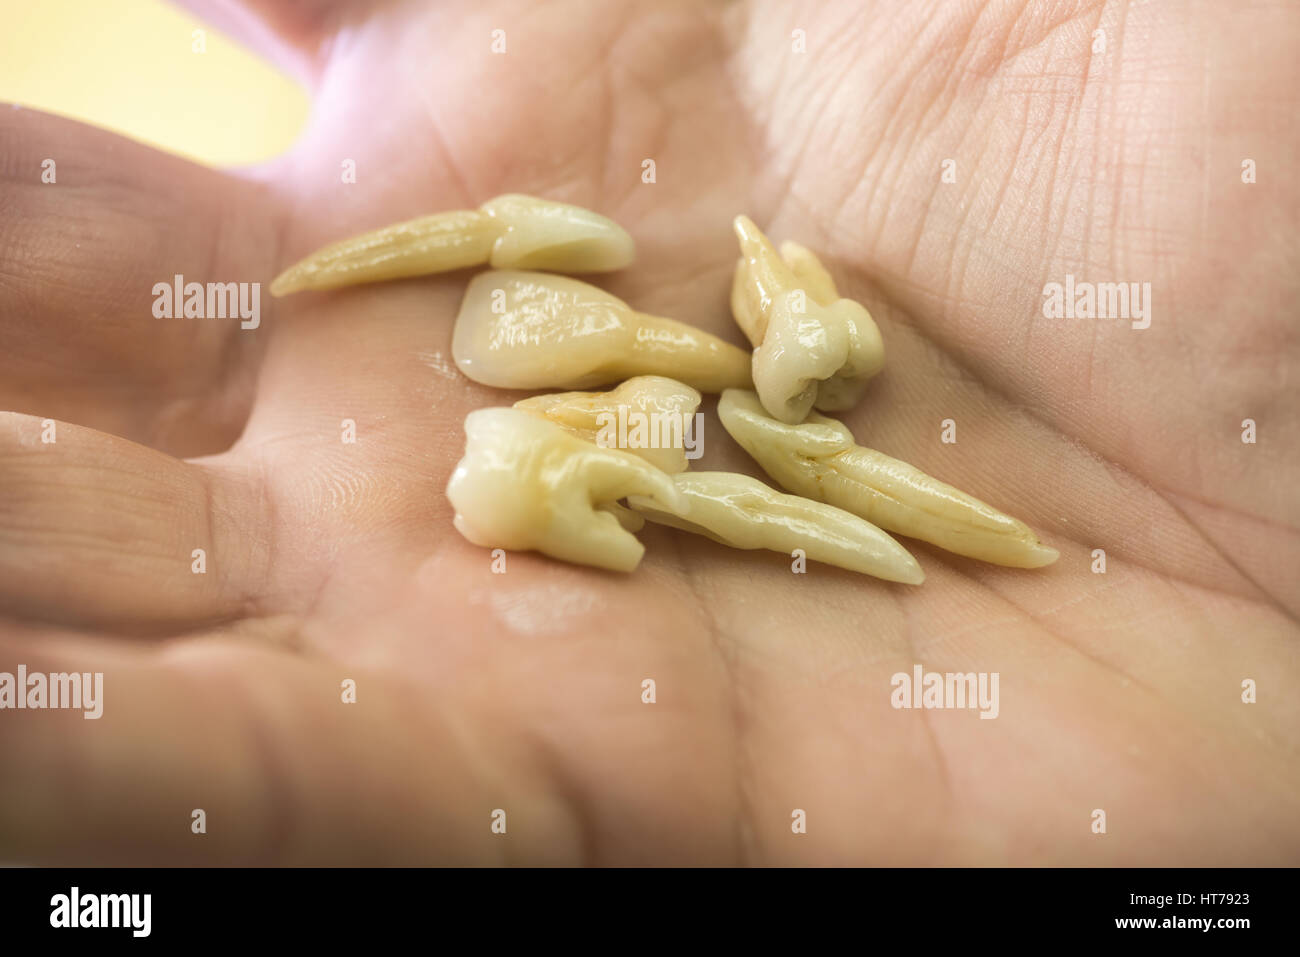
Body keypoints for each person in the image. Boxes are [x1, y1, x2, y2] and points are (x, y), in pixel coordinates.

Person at [0, 0, 1295, 865]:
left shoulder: (709, 368)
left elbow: (717, 439)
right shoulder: (646, 383)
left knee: (779, 477)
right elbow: (685, 454)